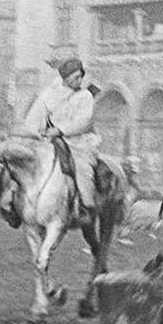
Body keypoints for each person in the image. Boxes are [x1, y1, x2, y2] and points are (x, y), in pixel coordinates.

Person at [20, 57, 100, 219]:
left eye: (80, 77)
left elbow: (84, 122)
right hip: (50, 141)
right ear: (66, 77)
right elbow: (35, 116)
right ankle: (17, 204)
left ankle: (86, 206)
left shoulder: (85, 96)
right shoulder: (49, 94)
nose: (79, 80)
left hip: (79, 143)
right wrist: (35, 131)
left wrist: (60, 130)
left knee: (83, 169)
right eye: (75, 77)